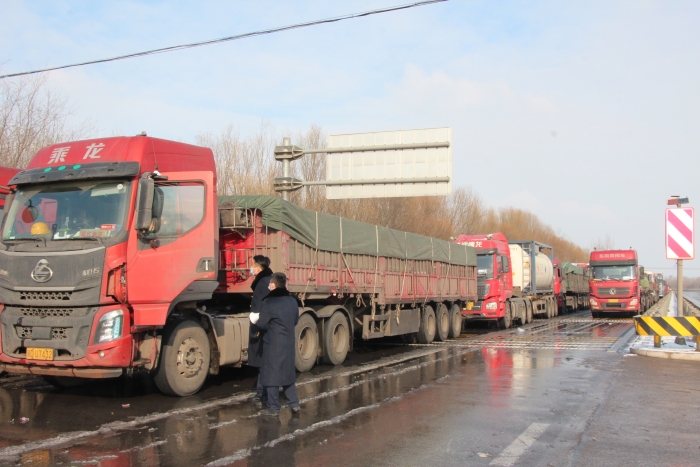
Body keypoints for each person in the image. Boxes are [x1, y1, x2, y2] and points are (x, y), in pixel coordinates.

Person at [255, 272, 301, 416]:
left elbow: (262, 324)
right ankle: (294, 403)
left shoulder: (268, 302)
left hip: (273, 343)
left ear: (273, 285)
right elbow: (295, 320)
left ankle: (274, 407)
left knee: (272, 376)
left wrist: (255, 321)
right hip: (288, 342)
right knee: (287, 374)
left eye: (270, 284)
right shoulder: (292, 301)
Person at [247, 255, 273, 407]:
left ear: (259, 267)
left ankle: (262, 394)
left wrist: (258, 324)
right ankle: (263, 393)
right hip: (265, 325)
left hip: (261, 326)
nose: (251, 268)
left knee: (263, 361)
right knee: (265, 361)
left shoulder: (263, 283)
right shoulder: (267, 280)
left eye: (253, 265)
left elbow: (260, 306)